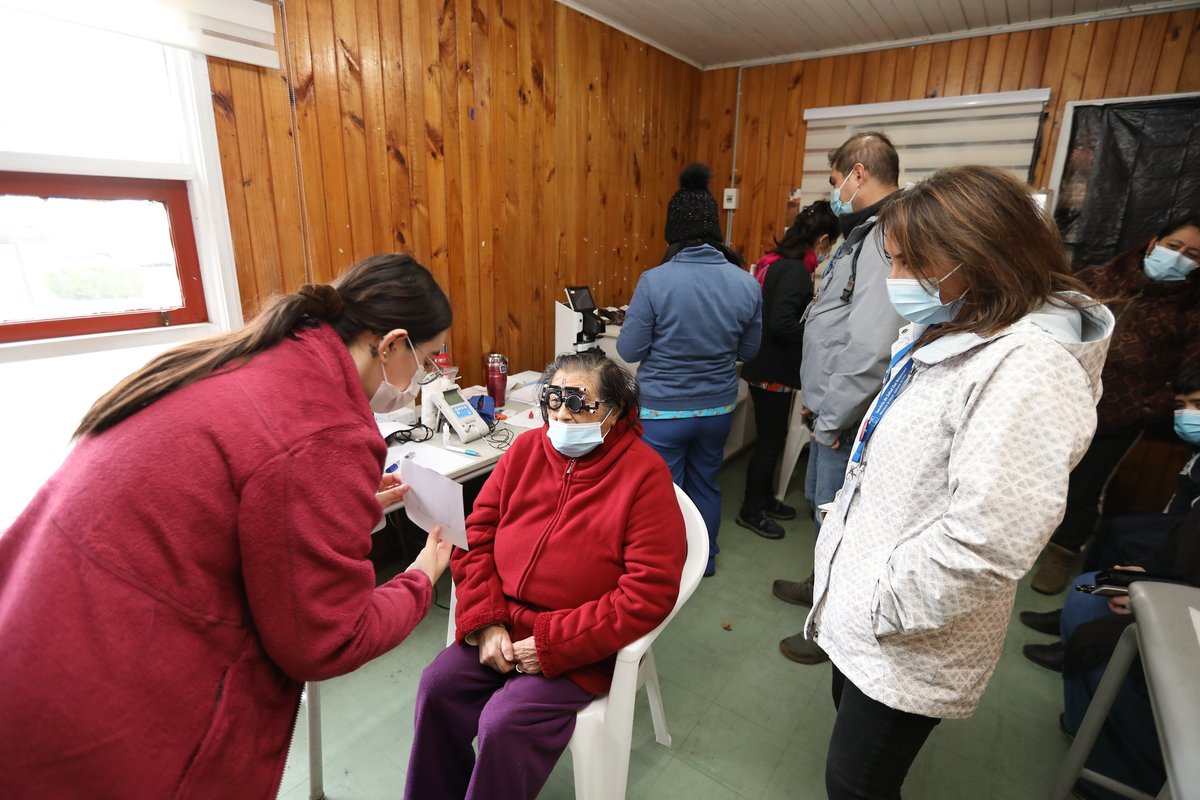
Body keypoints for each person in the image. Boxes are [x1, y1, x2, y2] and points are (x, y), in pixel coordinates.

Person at [0, 254, 455, 797]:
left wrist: (339, 501)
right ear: (392, 343)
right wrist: (422, 576)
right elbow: (327, 640)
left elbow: (242, 488)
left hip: (30, 638)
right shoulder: (323, 425)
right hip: (99, 708)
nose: (422, 380)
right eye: (426, 362)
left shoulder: (253, 359)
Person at [804, 165, 1114, 799]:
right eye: (890, 262)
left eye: (908, 264)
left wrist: (882, 605)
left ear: (982, 254)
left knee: (856, 783)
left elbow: (989, 540)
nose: (895, 283)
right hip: (867, 611)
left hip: (905, 632)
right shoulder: (953, 325)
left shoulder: (1030, 370)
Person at [405, 352, 686, 800]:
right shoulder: (526, 449)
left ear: (614, 413)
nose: (561, 415)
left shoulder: (645, 475)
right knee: (437, 688)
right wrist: (487, 620)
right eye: (554, 400)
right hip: (501, 622)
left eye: (579, 404)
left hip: (579, 646)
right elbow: (473, 534)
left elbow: (648, 592)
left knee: (505, 721)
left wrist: (553, 643)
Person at [772, 132, 904, 664]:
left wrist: (832, 414)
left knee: (839, 518)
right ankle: (817, 581)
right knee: (823, 513)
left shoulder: (884, 237)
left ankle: (827, 628)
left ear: (857, 173)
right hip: (828, 403)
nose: (835, 195)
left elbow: (871, 345)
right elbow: (834, 320)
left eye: (835, 183)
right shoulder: (860, 233)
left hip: (846, 412)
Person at [1032, 214, 1200, 594]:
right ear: (1154, 241)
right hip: (1058, 401)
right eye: (1175, 247)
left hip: (1118, 417)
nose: (1180, 258)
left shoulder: (1192, 311)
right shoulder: (1098, 278)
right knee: (1041, 473)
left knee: (1085, 488)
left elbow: (1190, 376)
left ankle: (1062, 552)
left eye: (1193, 255)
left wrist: (1143, 407)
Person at [617, 163, 761, 576]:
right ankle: (706, 560)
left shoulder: (655, 281)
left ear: (673, 231)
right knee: (706, 484)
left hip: (663, 412)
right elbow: (749, 349)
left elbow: (628, 349)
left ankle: (672, 570)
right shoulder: (746, 283)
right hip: (717, 409)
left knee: (665, 493)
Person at [1021, 360, 1200, 672]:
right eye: (1181, 406)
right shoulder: (1194, 449)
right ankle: (1076, 610)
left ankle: (1081, 638)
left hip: (1187, 538)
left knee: (1125, 541)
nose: (1187, 415)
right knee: (1115, 531)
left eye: (1197, 405)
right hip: (1180, 527)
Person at [1021, 503, 1200, 800]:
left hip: (1185, 623)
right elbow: (1181, 546)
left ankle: (1120, 778)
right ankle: (1087, 735)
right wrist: (1147, 572)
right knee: (1086, 591)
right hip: (1179, 595)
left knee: (1097, 647)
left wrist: (1153, 594)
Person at [736, 201, 839, 539]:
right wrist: (817, 336)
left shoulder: (780, 264)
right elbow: (782, 323)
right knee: (769, 441)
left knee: (773, 438)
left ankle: (763, 499)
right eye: (831, 245)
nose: (829, 252)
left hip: (766, 366)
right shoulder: (795, 270)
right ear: (822, 239)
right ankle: (751, 509)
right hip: (772, 370)